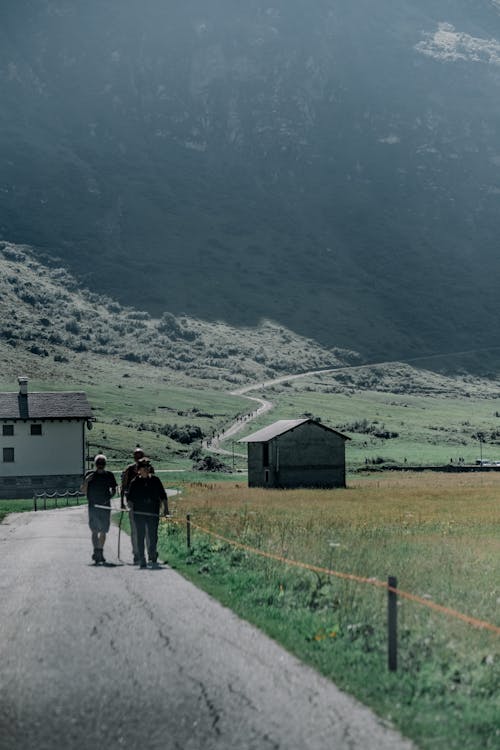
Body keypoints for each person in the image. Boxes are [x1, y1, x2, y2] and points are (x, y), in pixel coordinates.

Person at [126, 458, 168, 568]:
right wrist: (130, 507)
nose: (146, 469)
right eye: (143, 468)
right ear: (138, 470)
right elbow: (130, 499)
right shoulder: (134, 482)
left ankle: (152, 553)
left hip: (153, 513)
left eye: (147, 467)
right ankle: (142, 558)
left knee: (153, 535)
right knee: (141, 536)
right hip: (139, 514)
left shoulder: (155, 480)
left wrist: (166, 509)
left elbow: (163, 495)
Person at [82, 454, 117, 564]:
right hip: (93, 506)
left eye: (102, 463)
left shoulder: (109, 475)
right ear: (95, 464)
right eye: (98, 463)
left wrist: (110, 496)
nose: (100, 465)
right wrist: (86, 481)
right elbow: (83, 490)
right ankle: (97, 551)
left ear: (105, 464)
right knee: (94, 530)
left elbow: (114, 489)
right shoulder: (89, 475)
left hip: (105, 506)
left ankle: (100, 551)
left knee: (103, 530)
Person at [120, 447, 146, 563]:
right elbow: (123, 486)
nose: (138, 458)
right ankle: (136, 553)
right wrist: (122, 502)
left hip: (147, 503)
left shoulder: (148, 468)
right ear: (134, 457)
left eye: (140, 455)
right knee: (135, 529)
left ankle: (145, 552)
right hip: (132, 502)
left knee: (146, 529)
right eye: (136, 456)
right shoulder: (129, 470)